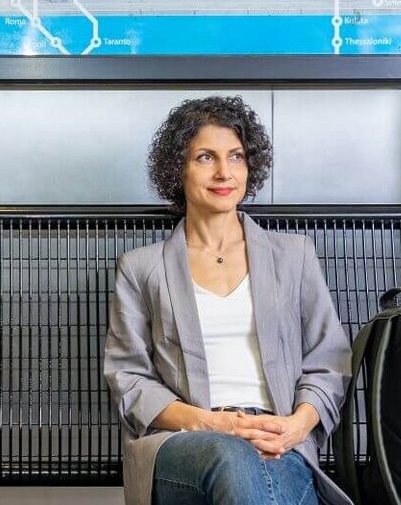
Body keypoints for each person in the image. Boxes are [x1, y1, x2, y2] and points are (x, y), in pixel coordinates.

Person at [102, 96, 354, 505]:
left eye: (236, 157)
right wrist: (211, 423)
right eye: (206, 157)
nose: (224, 172)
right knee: (231, 457)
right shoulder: (142, 268)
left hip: (278, 435)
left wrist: (296, 426)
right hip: (185, 439)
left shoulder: (293, 256)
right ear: (177, 170)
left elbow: (329, 360)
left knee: (262, 472)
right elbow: (129, 378)